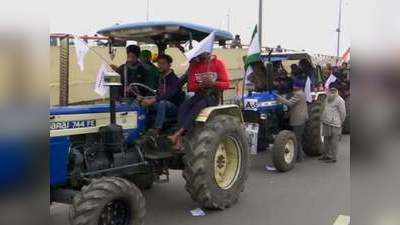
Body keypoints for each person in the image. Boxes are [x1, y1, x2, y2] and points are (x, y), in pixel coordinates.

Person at [168, 53, 231, 150]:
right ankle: (179, 139)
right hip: (199, 94)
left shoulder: (217, 64)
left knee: (197, 107)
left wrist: (213, 83)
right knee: (183, 107)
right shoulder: (194, 65)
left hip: (212, 95)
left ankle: (178, 134)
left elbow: (226, 84)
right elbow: (190, 87)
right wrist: (201, 85)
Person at [141, 54, 185, 133]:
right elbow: (159, 93)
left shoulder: (174, 79)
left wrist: (154, 99)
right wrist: (146, 98)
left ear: (169, 65)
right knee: (142, 100)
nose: (160, 66)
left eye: (163, 63)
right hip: (162, 102)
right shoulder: (161, 77)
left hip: (173, 106)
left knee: (162, 103)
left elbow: (169, 94)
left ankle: (156, 130)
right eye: (159, 64)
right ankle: (142, 126)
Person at [276, 81, 309, 162]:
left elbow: (289, 103)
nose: (293, 87)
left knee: (296, 139)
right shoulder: (302, 93)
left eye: (295, 86)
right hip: (301, 118)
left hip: (298, 119)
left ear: (298, 87)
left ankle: (298, 157)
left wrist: (279, 98)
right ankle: (299, 157)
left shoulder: (298, 94)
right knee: (298, 139)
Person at [319, 88, 346, 163]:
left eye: (332, 92)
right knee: (327, 141)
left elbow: (343, 113)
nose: (331, 94)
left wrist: (341, 121)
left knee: (333, 141)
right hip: (328, 122)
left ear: (335, 92)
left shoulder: (338, 100)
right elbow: (323, 108)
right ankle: (326, 155)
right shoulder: (328, 99)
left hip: (334, 123)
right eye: (331, 92)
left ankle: (332, 157)